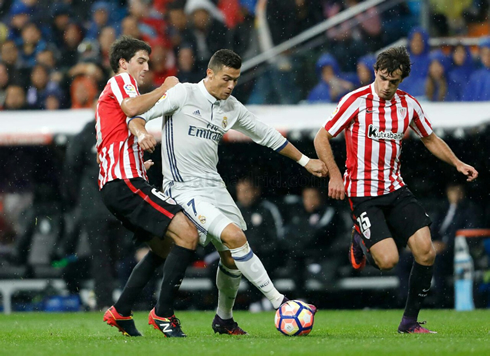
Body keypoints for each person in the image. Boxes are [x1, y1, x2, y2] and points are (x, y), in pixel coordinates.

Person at [135, 49, 326, 335]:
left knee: (230, 255)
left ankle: (223, 319)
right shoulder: (183, 94)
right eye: (226, 79)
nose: (231, 86)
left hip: (215, 187)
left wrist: (305, 160)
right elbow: (138, 115)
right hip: (183, 188)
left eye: (235, 80)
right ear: (210, 73)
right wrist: (141, 133)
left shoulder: (231, 107)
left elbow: (266, 134)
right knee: (235, 237)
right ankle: (281, 302)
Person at [314, 46, 478, 334]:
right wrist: (335, 176)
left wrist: (457, 162)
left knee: (426, 252)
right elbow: (321, 137)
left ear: (402, 80)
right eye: (384, 79)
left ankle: (409, 322)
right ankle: (360, 237)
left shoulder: (408, 104)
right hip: (363, 194)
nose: (388, 86)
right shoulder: (356, 100)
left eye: (395, 81)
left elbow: (430, 138)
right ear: (376, 72)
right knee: (388, 261)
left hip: (395, 188)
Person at [97, 35, 199, 338]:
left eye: (147, 61)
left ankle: (121, 310)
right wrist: (165, 89)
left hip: (122, 181)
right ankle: (164, 314)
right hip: (124, 182)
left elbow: (115, 132)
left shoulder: (116, 92)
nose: (145, 66)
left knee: (165, 245)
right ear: (123, 62)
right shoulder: (120, 81)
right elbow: (131, 109)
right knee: (188, 234)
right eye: (140, 60)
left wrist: (139, 163)